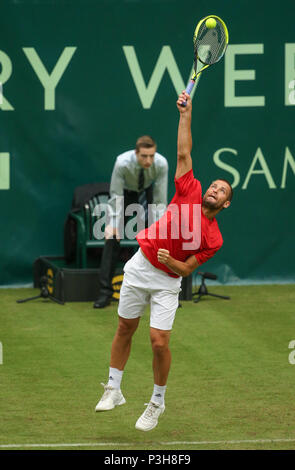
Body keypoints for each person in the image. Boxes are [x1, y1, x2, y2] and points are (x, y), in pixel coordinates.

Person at [94, 91, 233, 431]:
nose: (213, 189)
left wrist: (172, 262)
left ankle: (157, 402)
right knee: (125, 327)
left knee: (159, 341)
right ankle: (114, 387)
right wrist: (185, 114)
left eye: (221, 190)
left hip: (167, 282)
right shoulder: (189, 188)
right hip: (141, 265)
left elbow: (187, 270)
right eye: (214, 184)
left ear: (225, 204)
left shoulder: (214, 239)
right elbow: (184, 150)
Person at [93, 135, 168, 308]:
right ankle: (105, 293)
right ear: (136, 153)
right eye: (144, 156)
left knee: (159, 239)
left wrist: (159, 228)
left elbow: (159, 200)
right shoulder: (122, 163)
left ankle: (160, 291)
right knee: (112, 238)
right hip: (125, 194)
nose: (148, 160)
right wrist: (113, 224)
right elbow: (116, 196)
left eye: (151, 156)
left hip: (148, 191)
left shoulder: (161, 164)